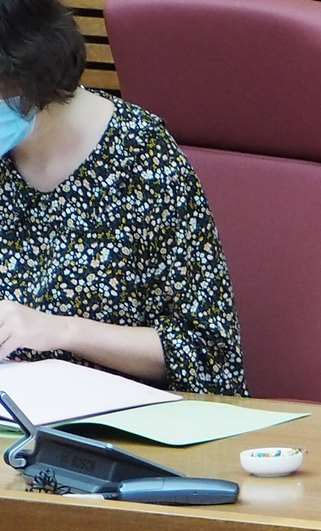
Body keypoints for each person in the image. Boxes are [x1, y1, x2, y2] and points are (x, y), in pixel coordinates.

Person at [0, 0, 244, 395]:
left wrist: (60, 330)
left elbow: (207, 352)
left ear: (28, 71)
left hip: (113, 432)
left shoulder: (140, 157)